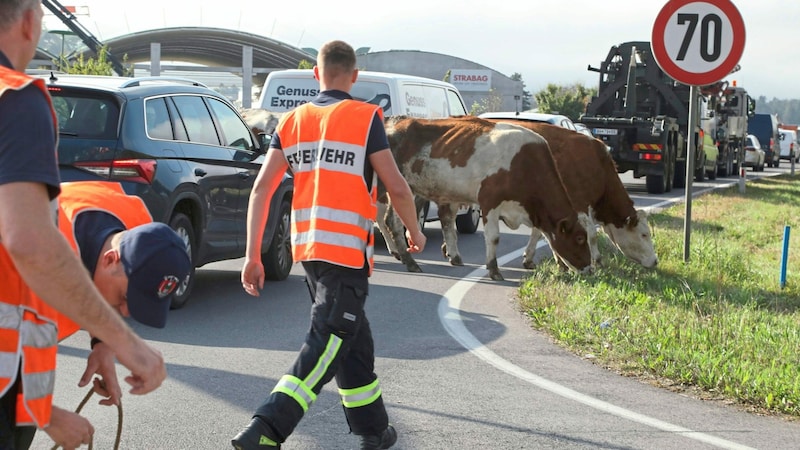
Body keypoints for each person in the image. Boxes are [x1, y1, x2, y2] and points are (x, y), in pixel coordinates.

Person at [233, 40, 426, 450]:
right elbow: (396, 187)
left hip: (310, 254)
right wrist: (415, 232)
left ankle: (374, 431)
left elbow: (262, 189)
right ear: (354, 77)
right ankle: (267, 429)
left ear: (316, 75)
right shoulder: (364, 117)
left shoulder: (292, 120)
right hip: (345, 254)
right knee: (329, 341)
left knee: (353, 344)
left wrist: (252, 255)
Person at [0, 1, 170, 448]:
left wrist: (101, 341)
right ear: (31, 21)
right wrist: (44, 415)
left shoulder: (119, 213)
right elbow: (31, 245)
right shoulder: (15, 99)